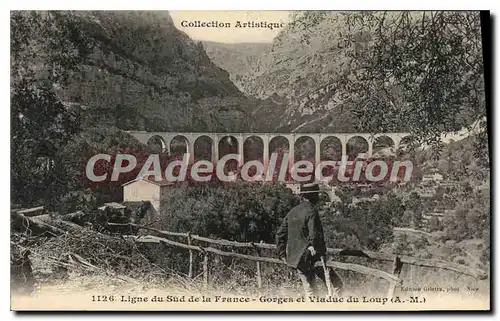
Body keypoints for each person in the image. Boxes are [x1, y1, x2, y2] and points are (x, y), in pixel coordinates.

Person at [276, 183, 342, 297]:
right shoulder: (311, 211)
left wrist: (282, 253)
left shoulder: (293, 211)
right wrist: (313, 246)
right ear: (314, 196)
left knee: (310, 289)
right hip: (312, 257)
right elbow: (314, 234)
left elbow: (280, 234)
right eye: (316, 195)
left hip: (297, 259)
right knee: (336, 284)